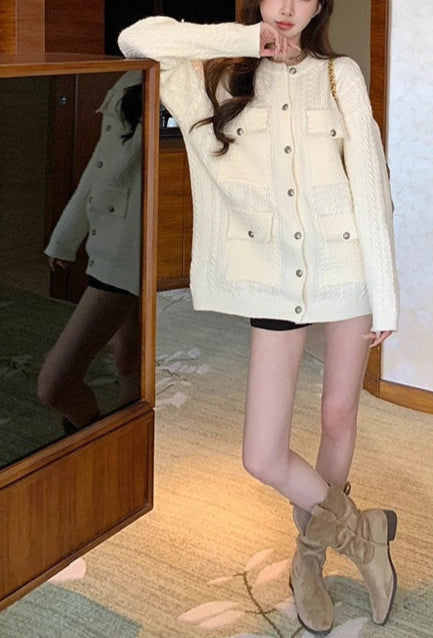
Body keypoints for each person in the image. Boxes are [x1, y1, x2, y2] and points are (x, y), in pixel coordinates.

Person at [119, 1, 399, 633]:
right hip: (275, 279)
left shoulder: (340, 75)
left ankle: (309, 562)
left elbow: (369, 181)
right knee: (262, 454)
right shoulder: (221, 75)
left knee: (338, 415)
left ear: (321, 4)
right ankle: (364, 534)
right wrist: (250, 38)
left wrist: (385, 293)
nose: (289, 6)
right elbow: (135, 38)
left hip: (347, 270)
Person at [38, 71, 143, 432]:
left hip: (128, 253)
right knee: (129, 360)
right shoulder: (131, 77)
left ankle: (98, 441)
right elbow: (98, 167)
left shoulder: (181, 75)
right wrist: (65, 238)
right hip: (111, 241)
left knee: (55, 385)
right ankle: (126, 440)